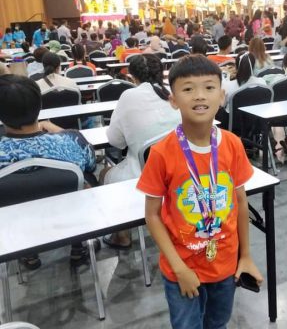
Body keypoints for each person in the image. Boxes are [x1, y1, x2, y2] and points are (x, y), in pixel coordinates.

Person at [136, 55, 263, 329]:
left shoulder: (233, 145)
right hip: (181, 268)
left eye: (209, 87)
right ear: (173, 100)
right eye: (188, 89)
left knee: (218, 323)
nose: (199, 95)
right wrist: (179, 268)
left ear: (222, 96)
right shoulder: (161, 153)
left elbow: (241, 202)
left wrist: (245, 256)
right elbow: (152, 215)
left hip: (225, 264)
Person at [0, 74, 96, 268]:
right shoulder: (72, 141)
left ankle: (28, 252)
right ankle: (78, 245)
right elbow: (92, 163)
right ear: (39, 104)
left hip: (14, 223)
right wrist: (55, 128)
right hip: (69, 217)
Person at [101, 55, 180, 247]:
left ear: (132, 76)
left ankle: (122, 236)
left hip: (143, 175)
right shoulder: (174, 93)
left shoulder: (128, 96)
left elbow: (115, 141)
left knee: (104, 174)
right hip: (179, 172)